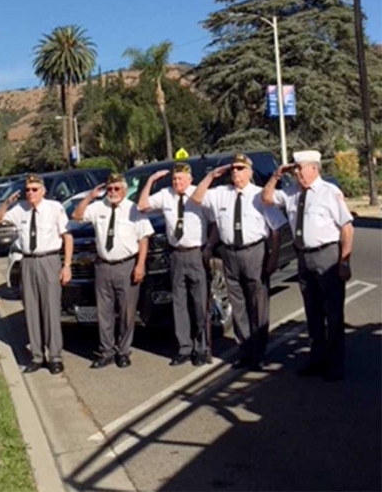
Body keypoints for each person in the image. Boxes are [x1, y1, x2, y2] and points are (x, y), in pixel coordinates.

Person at [262, 150, 354, 381]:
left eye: (300, 168)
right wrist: (275, 176)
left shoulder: (329, 192)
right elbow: (266, 198)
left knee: (333, 312)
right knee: (313, 312)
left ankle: (335, 364)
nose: (296, 172)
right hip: (303, 257)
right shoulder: (291, 192)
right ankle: (317, 358)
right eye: (295, 169)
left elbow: (347, 228)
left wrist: (344, 261)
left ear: (313, 168)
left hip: (327, 256)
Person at [190, 153, 285, 370]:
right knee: (238, 305)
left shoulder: (260, 195)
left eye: (241, 169)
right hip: (229, 253)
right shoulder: (221, 193)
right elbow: (196, 198)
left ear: (250, 172)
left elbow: (276, 230)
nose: (236, 172)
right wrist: (212, 176)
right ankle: (245, 351)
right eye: (233, 169)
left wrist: (273, 258)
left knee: (258, 305)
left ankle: (259, 353)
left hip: (255, 252)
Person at [138, 164, 218, 367]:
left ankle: (201, 348)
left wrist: (209, 246)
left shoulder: (198, 195)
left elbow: (215, 222)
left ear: (190, 179)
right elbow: (142, 206)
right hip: (176, 254)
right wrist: (150, 181)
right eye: (174, 180)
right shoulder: (166, 194)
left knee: (199, 303)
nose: (177, 183)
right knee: (179, 303)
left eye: (181, 179)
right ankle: (184, 347)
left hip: (196, 253)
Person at [72, 173, 153, 369]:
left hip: (126, 265)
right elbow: (76, 216)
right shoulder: (99, 207)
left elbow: (144, 238)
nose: (113, 192)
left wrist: (140, 265)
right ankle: (106, 351)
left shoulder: (133, 209)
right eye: (110, 189)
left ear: (124, 190)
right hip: (103, 266)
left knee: (126, 312)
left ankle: (123, 351)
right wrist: (90, 197)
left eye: (117, 188)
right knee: (104, 312)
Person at [0, 173, 73, 374]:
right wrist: (7, 202)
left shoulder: (54, 208)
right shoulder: (20, 210)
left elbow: (67, 237)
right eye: (28, 190)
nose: (31, 193)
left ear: (43, 191)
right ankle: (37, 357)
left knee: (51, 310)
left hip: (49, 260)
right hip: (28, 262)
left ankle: (55, 357)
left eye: (35, 189)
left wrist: (67, 266)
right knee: (31, 310)